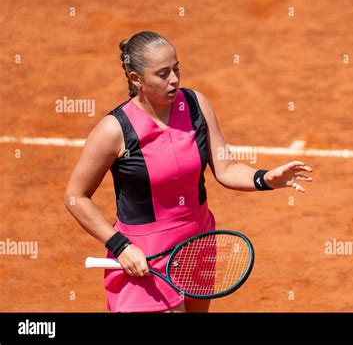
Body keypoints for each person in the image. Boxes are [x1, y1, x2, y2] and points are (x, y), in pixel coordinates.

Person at [64, 31, 313, 313]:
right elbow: (76, 195)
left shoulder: (196, 106)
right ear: (136, 79)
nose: (174, 79)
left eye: (176, 69)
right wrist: (120, 246)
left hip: (196, 245)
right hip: (143, 256)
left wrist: (264, 178)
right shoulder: (114, 130)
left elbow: (226, 167)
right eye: (162, 74)